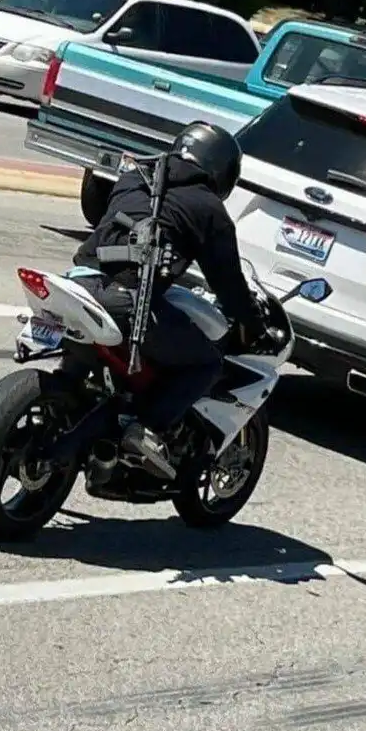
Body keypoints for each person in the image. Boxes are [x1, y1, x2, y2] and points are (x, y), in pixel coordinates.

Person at [73, 122, 267, 478]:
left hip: (79, 281)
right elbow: (228, 284)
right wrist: (254, 326)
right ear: (222, 170)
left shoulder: (133, 177)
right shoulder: (209, 209)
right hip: (126, 302)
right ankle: (146, 427)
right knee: (205, 363)